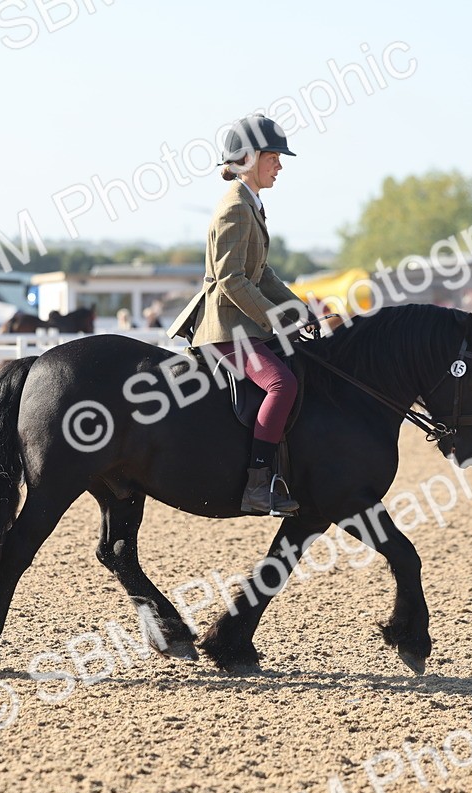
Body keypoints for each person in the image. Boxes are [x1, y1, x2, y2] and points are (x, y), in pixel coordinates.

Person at [167, 114, 315, 516]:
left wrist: (298, 309)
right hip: (224, 328)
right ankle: (257, 482)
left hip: (240, 323)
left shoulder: (252, 204)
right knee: (281, 384)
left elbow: (261, 272)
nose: (280, 165)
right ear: (249, 159)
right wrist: (274, 319)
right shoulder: (235, 207)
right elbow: (231, 280)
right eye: (274, 157)